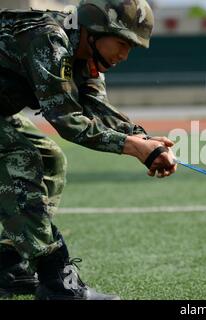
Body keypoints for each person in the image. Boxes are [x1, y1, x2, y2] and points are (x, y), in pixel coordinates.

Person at [0, 0, 177, 300]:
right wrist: (134, 147)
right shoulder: (48, 38)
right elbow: (68, 119)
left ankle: (8, 264)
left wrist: (144, 140)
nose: (124, 54)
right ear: (94, 30)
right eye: (122, 42)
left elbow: (96, 107)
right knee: (21, 159)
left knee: (49, 160)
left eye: (131, 47)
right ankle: (56, 282)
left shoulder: (86, 53)